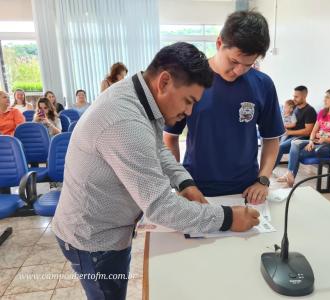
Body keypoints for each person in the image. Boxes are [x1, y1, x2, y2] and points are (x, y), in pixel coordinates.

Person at [52, 42, 260, 300]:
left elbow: (156, 147)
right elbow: (161, 208)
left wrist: (185, 183)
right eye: (188, 100)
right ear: (164, 82)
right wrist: (228, 218)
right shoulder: (125, 120)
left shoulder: (137, 96)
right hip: (93, 240)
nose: (189, 111)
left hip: (109, 227)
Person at [163, 11, 285, 204]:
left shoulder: (263, 84)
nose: (238, 71)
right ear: (219, 43)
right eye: (234, 61)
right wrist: (180, 183)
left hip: (246, 190)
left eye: (248, 65)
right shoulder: (189, 80)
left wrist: (263, 180)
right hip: (197, 187)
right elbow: (170, 137)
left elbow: (271, 138)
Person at [279, 88, 330, 187]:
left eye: (327, 97)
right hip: (315, 142)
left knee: (297, 153)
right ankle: (290, 175)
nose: (324, 100)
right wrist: (311, 141)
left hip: (328, 146)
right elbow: (314, 131)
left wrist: (326, 139)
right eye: (324, 97)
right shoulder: (322, 113)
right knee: (294, 143)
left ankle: (290, 175)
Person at [274, 85, 317, 172]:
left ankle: (267, 172)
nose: (294, 98)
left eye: (296, 96)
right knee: (273, 145)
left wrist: (289, 132)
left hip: (301, 138)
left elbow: (308, 132)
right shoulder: (295, 108)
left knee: (279, 148)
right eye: (294, 96)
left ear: (304, 96)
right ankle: (265, 170)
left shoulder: (310, 111)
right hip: (290, 135)